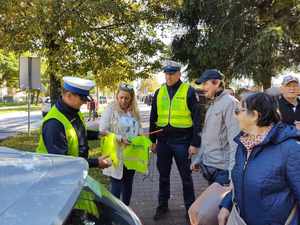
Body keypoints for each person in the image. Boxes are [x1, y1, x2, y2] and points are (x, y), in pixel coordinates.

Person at [218, 92, 300, 225]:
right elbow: (241, 180)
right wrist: (227, 205)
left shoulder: (291, 149)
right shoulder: (243, 144)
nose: (235, 115)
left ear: (255, 115)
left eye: (239, 110)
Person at [149, 60, 202, 221]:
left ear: (179, 74)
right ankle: (162, 206)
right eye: (166, 73)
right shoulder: (159, 92)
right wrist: (152, 140)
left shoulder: (189, 91)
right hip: (163, 142)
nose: (169, 76)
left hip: (182, 141)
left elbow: (197, 118)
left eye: (172, 73)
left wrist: (194, 143)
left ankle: (189, 209)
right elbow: (153, 117)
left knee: (186, 177)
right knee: (163, 176)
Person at [36, 76, 110, 169]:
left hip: (74, 171)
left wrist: (98, 134)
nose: (84, 103)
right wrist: (96, 162)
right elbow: (62, 161)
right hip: (56, 176)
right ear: (69, 95)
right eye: (82, 99)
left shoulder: (74, 111)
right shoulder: (54, 123)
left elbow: (78, 133)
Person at [191, 69, 240, 185]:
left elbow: (235, 141)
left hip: (223, 171)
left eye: (205, 83)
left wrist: (233, 175)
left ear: (216, 83)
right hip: (210, 167)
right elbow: (207, 136)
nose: (203, 88)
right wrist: (199, 159)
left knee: (220, 203)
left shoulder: (230, 103)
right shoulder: (213, 103)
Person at [99, 83, 142, 206]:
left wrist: (140, 137)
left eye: (126, 98)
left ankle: (126, 210)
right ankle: (115, 212)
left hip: (130, 154)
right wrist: (120, 138)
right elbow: (103, 130)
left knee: (128, 184)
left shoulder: (134, 111)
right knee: (116, 184)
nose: (123, 101)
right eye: (121, 97)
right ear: (117, 96)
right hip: (115, 153)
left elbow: (139, 130)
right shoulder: (110, 109)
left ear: (131, 99)